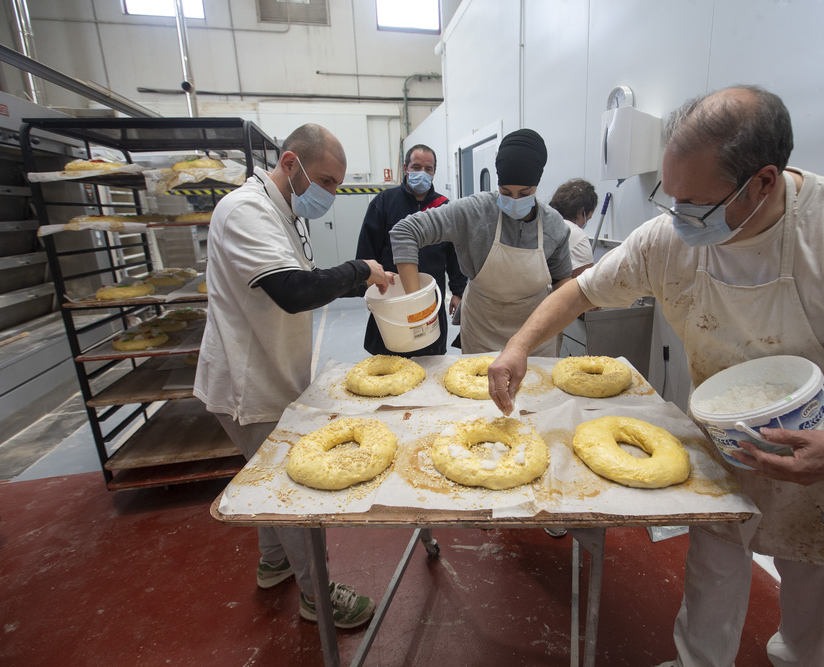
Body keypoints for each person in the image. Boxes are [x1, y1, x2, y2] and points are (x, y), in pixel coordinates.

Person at [487, 86, 824, 666]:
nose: (680, 218)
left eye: (697, 204)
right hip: (722, 444)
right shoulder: (668, 239)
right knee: (712, 576)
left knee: (814, 604)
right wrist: (519, 346)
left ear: (764, 182)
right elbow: (582, 290)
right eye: (670, 198)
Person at [194, 123, 394, 629]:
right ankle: (316, 596)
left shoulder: (282, 212)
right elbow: (294, 291)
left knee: (262, 476)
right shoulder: (245, 211)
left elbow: (307, 283)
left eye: (336, 185)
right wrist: (361, 269)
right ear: (290, 163)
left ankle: (274, 562)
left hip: (275, 370)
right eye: (325, 181)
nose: (330, 194)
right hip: (249, 384)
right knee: (290, 495)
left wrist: (359, 280)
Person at [390, 128, 573, 356]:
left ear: (537, 185)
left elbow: (562, 282)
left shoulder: (553, 225)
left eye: (524, 193)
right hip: (483, 332)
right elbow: (405, 231)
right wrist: (414, 305)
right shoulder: (474, 212)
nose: (514, 200)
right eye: (505, 191)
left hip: (535, 337)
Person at [356, 144, 467, 355]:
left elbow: (455, 255)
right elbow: (366, 253)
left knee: (430, 359)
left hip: (428, 301)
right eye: (416, 167)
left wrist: (458, 291)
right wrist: (367, 287)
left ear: (434, 172)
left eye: (428, 168)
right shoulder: (384, 203)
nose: (422, 173)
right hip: (392, 298)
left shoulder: (444, 207)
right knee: (390, 357)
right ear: (406, 168)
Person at [548, 178, 597, 278]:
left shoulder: (543, 223)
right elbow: (582, 287)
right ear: (581, 211)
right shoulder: (578, 236)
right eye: (588, 218)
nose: (586, 222)